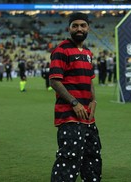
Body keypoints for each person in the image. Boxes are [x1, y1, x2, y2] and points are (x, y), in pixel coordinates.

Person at [49, 12, 102, 182]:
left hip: (88, 116)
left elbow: (90, 81)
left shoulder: (88, 53)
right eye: (75, 25)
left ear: (88, 28)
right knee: (69, 159)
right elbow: (54, 81)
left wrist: (93, 101)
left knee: (93, 158)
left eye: (83, 25)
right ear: (69, 28)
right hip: (69, 116)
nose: (79, 29)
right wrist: (74, 102)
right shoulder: (61, 50)